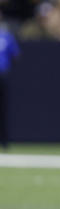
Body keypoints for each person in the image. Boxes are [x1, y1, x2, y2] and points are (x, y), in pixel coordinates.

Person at [0, 12, 19, 150]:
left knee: (3, 109)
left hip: (3, 75)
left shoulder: (6, 36)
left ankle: (4, 141)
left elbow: (16, 55)